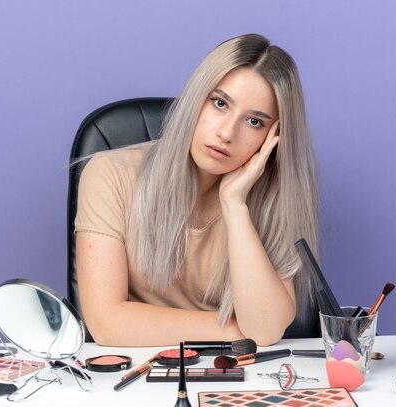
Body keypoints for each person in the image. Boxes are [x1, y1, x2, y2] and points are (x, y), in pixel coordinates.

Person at [75, 33, 319, 347]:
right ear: (195, 99)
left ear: (275, 137)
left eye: (255, 122)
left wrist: (234, 204)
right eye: (220, 103)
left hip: (235, 370)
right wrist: (240, 330)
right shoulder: (110, 174)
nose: (227, 133)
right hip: (135, 366)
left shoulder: (274, 198)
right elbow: (106, 324)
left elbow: (268, 327)